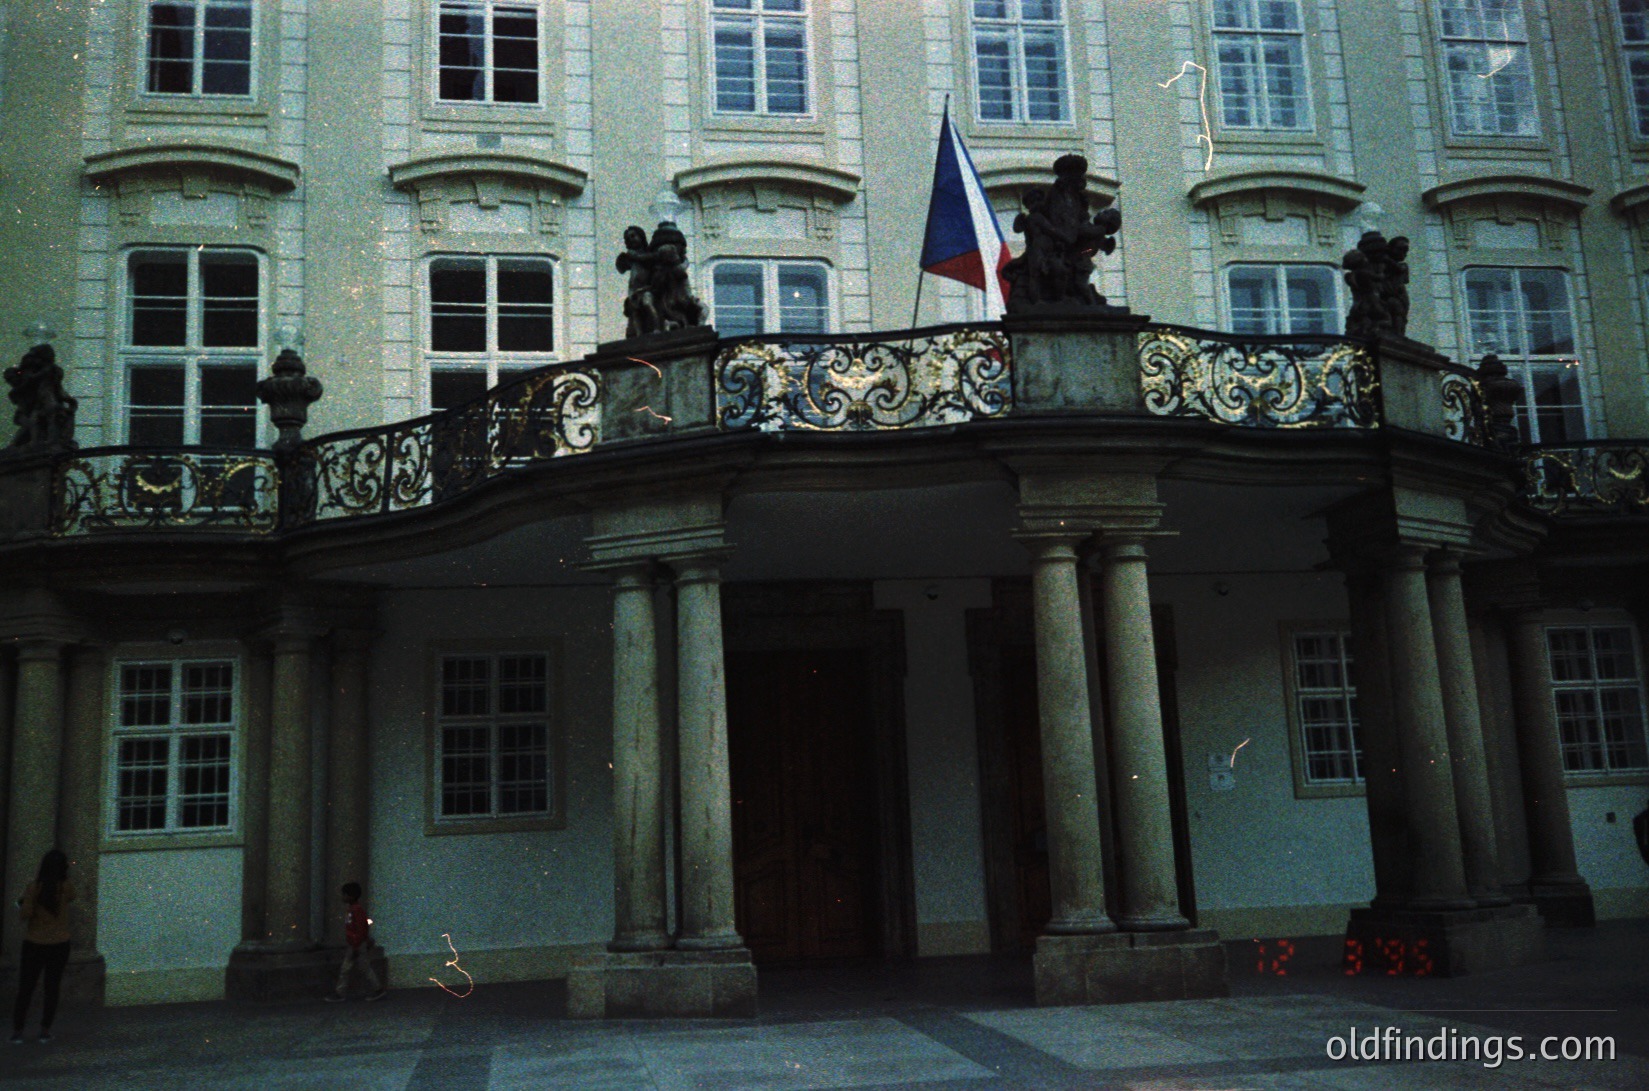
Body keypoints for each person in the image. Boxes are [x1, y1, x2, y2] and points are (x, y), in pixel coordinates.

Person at [11, 848, 73, 1044]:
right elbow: (71, 898)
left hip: (35, 943)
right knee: (52, 987)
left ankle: (18, 1031)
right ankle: (45, 1030)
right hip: (60, 943)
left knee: (26, 988)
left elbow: (25, 914)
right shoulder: (66, 887)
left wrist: (21, 904)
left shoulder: (33, 888)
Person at [326, 882, 386, 1002]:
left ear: (351, 896)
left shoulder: (355, 910)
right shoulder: (354, 910)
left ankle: (341, 993)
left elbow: (359, 929)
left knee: (351, 968)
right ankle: (376, 989)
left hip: (356, 944)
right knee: (358, 967)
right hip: (356, 944)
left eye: (344, 895)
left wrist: (355, 946)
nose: (342, 897)